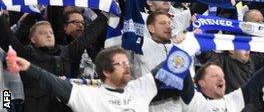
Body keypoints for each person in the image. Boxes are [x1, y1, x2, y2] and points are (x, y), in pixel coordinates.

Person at [9, 47, 194, 111]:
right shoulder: (88, 96)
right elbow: (50, 82)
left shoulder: (140, 88)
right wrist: (28, 67)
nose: (127, 66)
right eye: (120, 63)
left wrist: (181, 48)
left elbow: (174, 63)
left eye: (127, 62)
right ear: (106, 71)